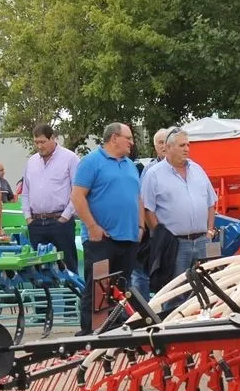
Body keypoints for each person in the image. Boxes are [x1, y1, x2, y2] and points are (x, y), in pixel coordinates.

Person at [71, 122, 143, 335]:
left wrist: (140, 226)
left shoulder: (130, 165)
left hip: (128, 237)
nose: (131, 142)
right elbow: (77, 196)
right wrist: (92, 226)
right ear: (114, 138)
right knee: (97, 290)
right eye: (128, 138)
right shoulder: (91, 162)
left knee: (121, 288)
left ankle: (115, 331)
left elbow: (138, 198)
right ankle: (90, 334)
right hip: (101, 239)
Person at [140, 128, 218, 293]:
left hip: (202, 241)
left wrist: (210, 231)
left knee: (206, 290)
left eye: (188, 145)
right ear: (168, 148)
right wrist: (161, 236)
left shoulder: (198, 170)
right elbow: (147, 209)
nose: (187, 149)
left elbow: (211, 202)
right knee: (175, 292)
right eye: (182, 145)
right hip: (175, 245)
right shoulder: (153, 174)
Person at [21, 124, 79, 275]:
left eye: (43, 142)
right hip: (36, 223)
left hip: (60, 221)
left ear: (52, 138)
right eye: (36, 142)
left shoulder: (70, 158)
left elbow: (78, 191)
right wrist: (28, 218)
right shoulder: (31, 162)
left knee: (68, 267)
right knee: (40, 271)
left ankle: (72, 291)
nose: (39, 146)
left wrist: (65, 217)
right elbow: (25, 192)